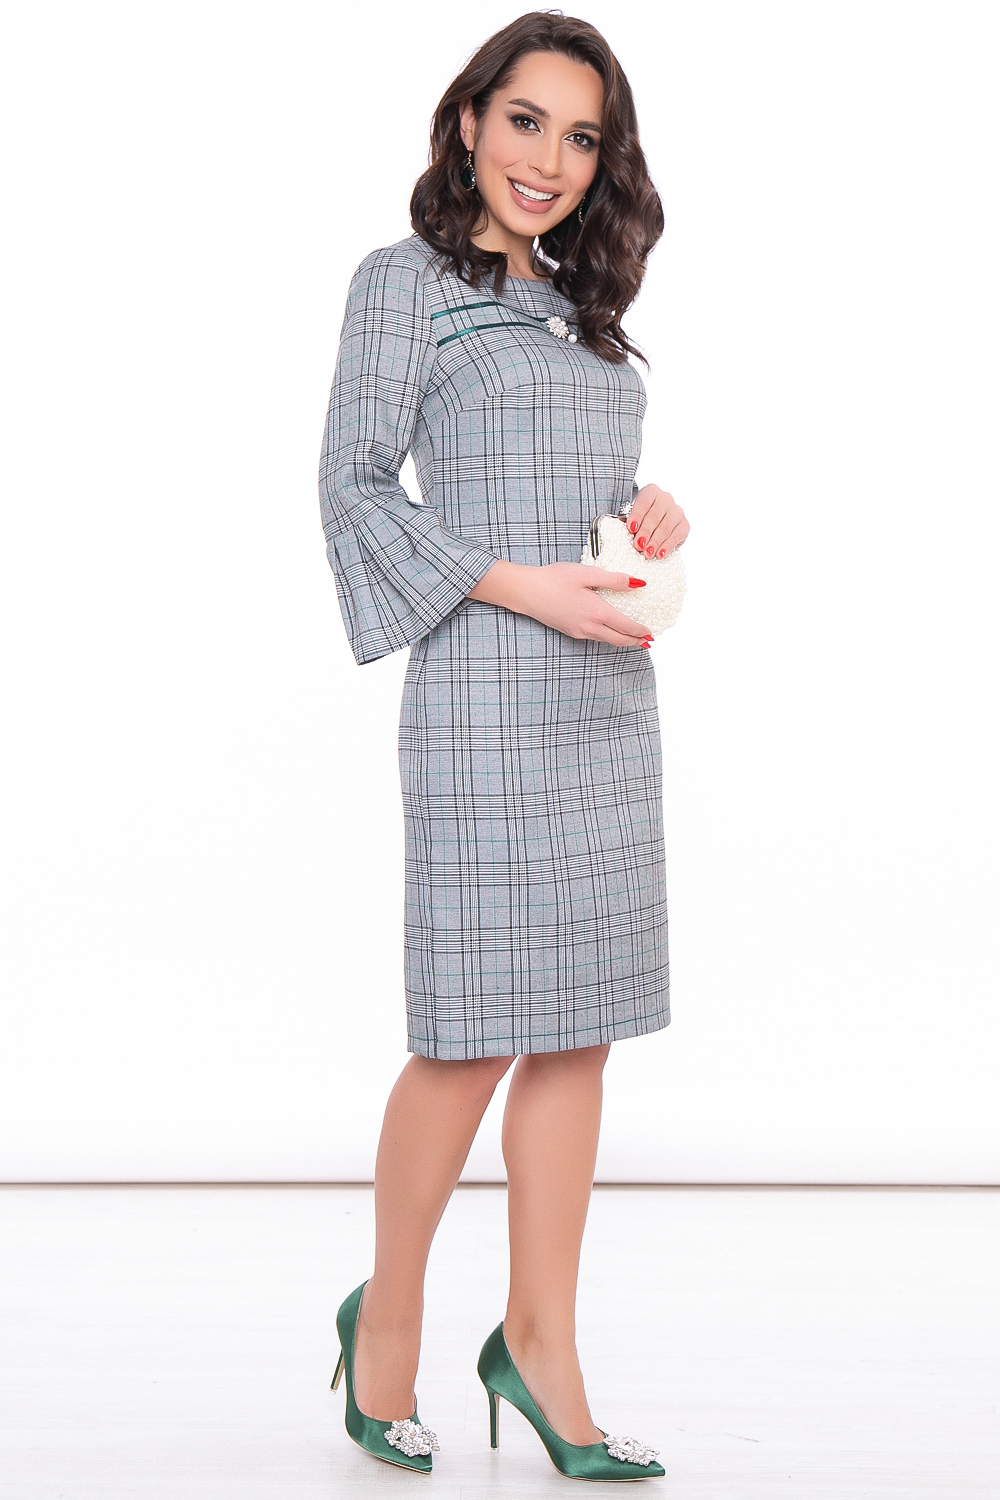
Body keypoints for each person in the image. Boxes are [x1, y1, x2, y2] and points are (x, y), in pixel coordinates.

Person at [318, 11, 688, 1481]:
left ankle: (541, 1344)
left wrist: (649, 516)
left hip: (605, 706)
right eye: (525, 120)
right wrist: (524, 585)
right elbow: (354, 485)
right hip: (480, 690)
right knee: (466, 1034)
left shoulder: (587, 316)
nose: (549, 159)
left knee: (578, 1028)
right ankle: (388, 1324)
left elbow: (574, 496)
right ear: (469, 121)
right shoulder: (403, 285)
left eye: (581, 136)